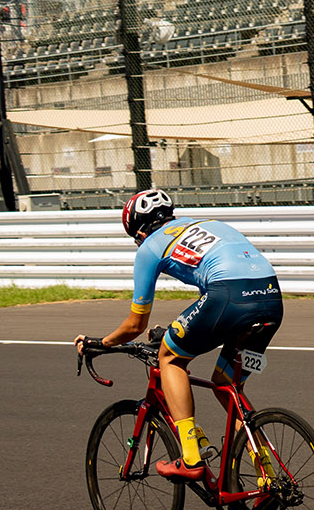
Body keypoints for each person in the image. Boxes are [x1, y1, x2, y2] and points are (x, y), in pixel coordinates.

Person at [73, 188, 283, 481]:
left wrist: (102, 343)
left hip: (227, 297)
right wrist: (173, 330)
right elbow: (210, 302)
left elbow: (136, 325)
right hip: (271, 298)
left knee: (170, 358)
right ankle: (269, 478)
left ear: (139, 232)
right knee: (226, 386)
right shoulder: (207, 225)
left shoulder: (150, 247)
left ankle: (191, 457)